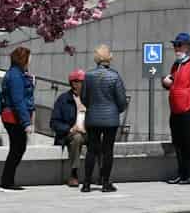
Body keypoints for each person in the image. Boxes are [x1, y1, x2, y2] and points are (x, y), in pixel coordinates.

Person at [81, 45, 132, 192]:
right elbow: (122, 100)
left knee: (91, 150)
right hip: (110, 119)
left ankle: (86, 184)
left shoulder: (88, 76)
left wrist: (92, 107)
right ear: (109, 58)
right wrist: (117, 110)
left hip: (92, 118)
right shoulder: (114, 76)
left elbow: (84, 98)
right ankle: (105, 183)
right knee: (107, 150)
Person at [161, 32, 190, 185]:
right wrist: (165, 82)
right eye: (175, 45)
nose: (176, 48)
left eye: (179, 45)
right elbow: (173, 83)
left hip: (189, 110)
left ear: (188, 46)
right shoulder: (177, 64)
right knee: (178, 144)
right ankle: (182, 174)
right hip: (175, 110)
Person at [0, 45, 35, 192]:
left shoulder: (17, 73)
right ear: (23, 58)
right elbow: (18, 100)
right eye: (29, 57)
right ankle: (7, 181)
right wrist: (26, 123)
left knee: (17, 148)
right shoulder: (16, 76)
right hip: (14, 118)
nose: (30, 60)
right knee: (17, 148)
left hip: (14, 116)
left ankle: (8, 180)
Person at [50, 69, 86, 189]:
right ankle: (74, 173)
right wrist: (70, 129)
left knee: (102, 138)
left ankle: (103, 174)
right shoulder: (63, 99)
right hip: (70, 133)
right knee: (77, 138)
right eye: (82, 81)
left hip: (88, 132)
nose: (85, 84)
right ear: (74, 83)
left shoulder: (90, 98)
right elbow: (54, 122)